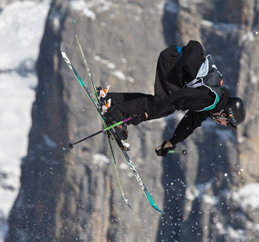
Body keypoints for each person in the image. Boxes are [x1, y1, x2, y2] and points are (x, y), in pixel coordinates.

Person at [97, 40, 246, 157]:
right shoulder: (208, 99)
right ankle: (117, 115)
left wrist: (171, 142)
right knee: (163, 105)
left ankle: (111, 100)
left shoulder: (213, 102)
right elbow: (180, 97)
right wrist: (147, 115)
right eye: (227, 123)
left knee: (161, 103)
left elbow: (190, 123)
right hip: (172, 62)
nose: (224, 125)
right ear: (226, 113)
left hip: (174, 61)